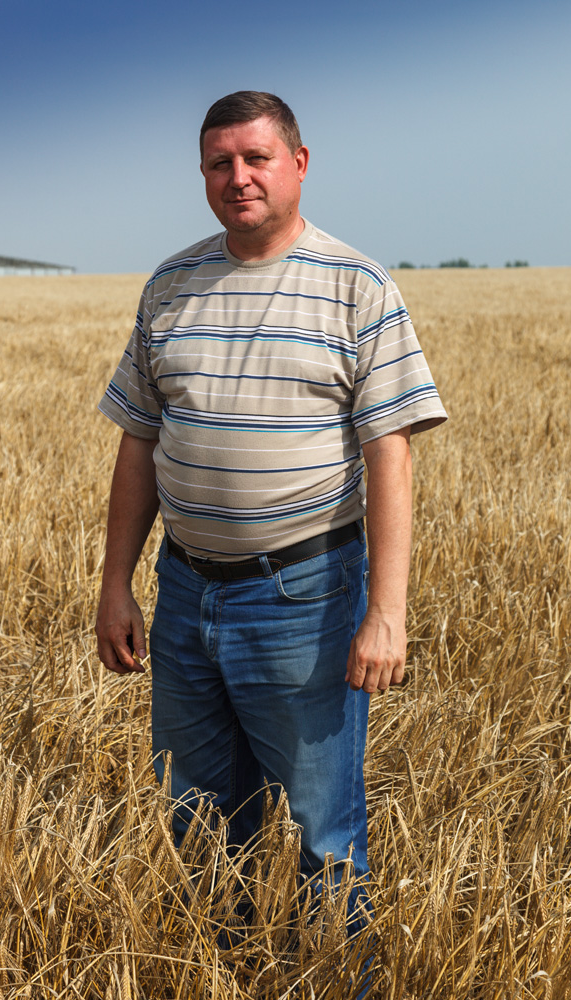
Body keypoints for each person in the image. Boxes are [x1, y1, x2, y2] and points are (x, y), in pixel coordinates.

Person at [95, 91, 446, 932]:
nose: (239, 177)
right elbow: (139, 442)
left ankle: (339, 978)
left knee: (325, 830)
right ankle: (222, 966)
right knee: (199, 818)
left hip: (305, 595)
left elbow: (390, 457)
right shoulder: (170, 285)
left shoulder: (358, 286)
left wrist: (386, 612)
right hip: (184, 593)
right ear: (203, 174)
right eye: (220, 163)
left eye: (256, 158)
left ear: (299, 163)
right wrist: (115, 583)